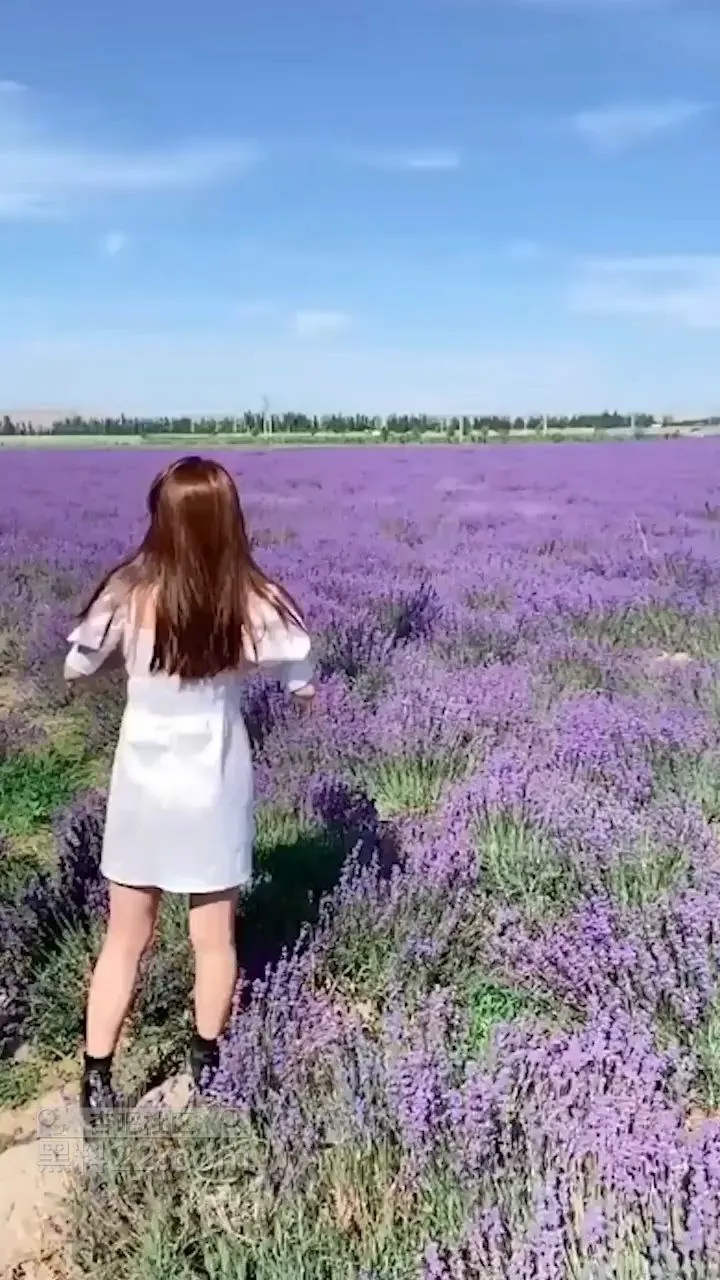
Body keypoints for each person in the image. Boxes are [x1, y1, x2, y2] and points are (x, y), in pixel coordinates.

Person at [63, 456, 315, 1123]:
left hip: (142, 786)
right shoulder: (251, 596)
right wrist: (295, 688)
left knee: (125, 939)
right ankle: (207, 1066)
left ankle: (96, 1081)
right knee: (214, 939)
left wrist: (110, 666)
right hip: (213, 785)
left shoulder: (128, 590)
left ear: (161, 517)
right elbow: (301, 671)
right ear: (230, 520)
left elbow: (77, 664)